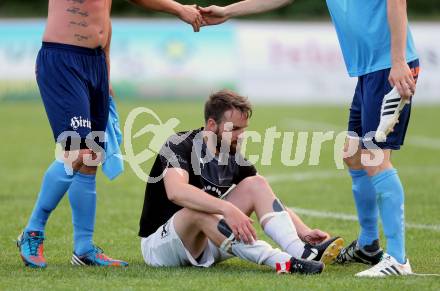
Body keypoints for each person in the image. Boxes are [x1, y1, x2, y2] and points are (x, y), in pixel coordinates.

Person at [199, 0, 419, 277]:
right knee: (353, 155)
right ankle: (368, 245)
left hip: (390, 67)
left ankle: (398, 259)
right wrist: (228, 11)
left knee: (374, 158)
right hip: (368, 72)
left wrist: (399, 61)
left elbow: (397, 2)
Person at [18, 0, 203, 268]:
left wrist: (105, 70)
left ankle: (83, 249)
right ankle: (32, 231)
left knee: (91, 158)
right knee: (77, 152)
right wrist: (178, 8)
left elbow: (103, 14)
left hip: (93, 63)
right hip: (63, 60)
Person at [139, 89, 344, 274]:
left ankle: (302, 252)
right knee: (196, 211)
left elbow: (268, 197)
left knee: (257, 184)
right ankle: (281, 261)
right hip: (160, 246)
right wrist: (227, 209)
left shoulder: (232, 154)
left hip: (207, 239)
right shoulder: (178, 145)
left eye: (243, 129)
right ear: (212, 125)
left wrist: (304, 231)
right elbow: (176, 192)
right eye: (234, 129)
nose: (241, 136)